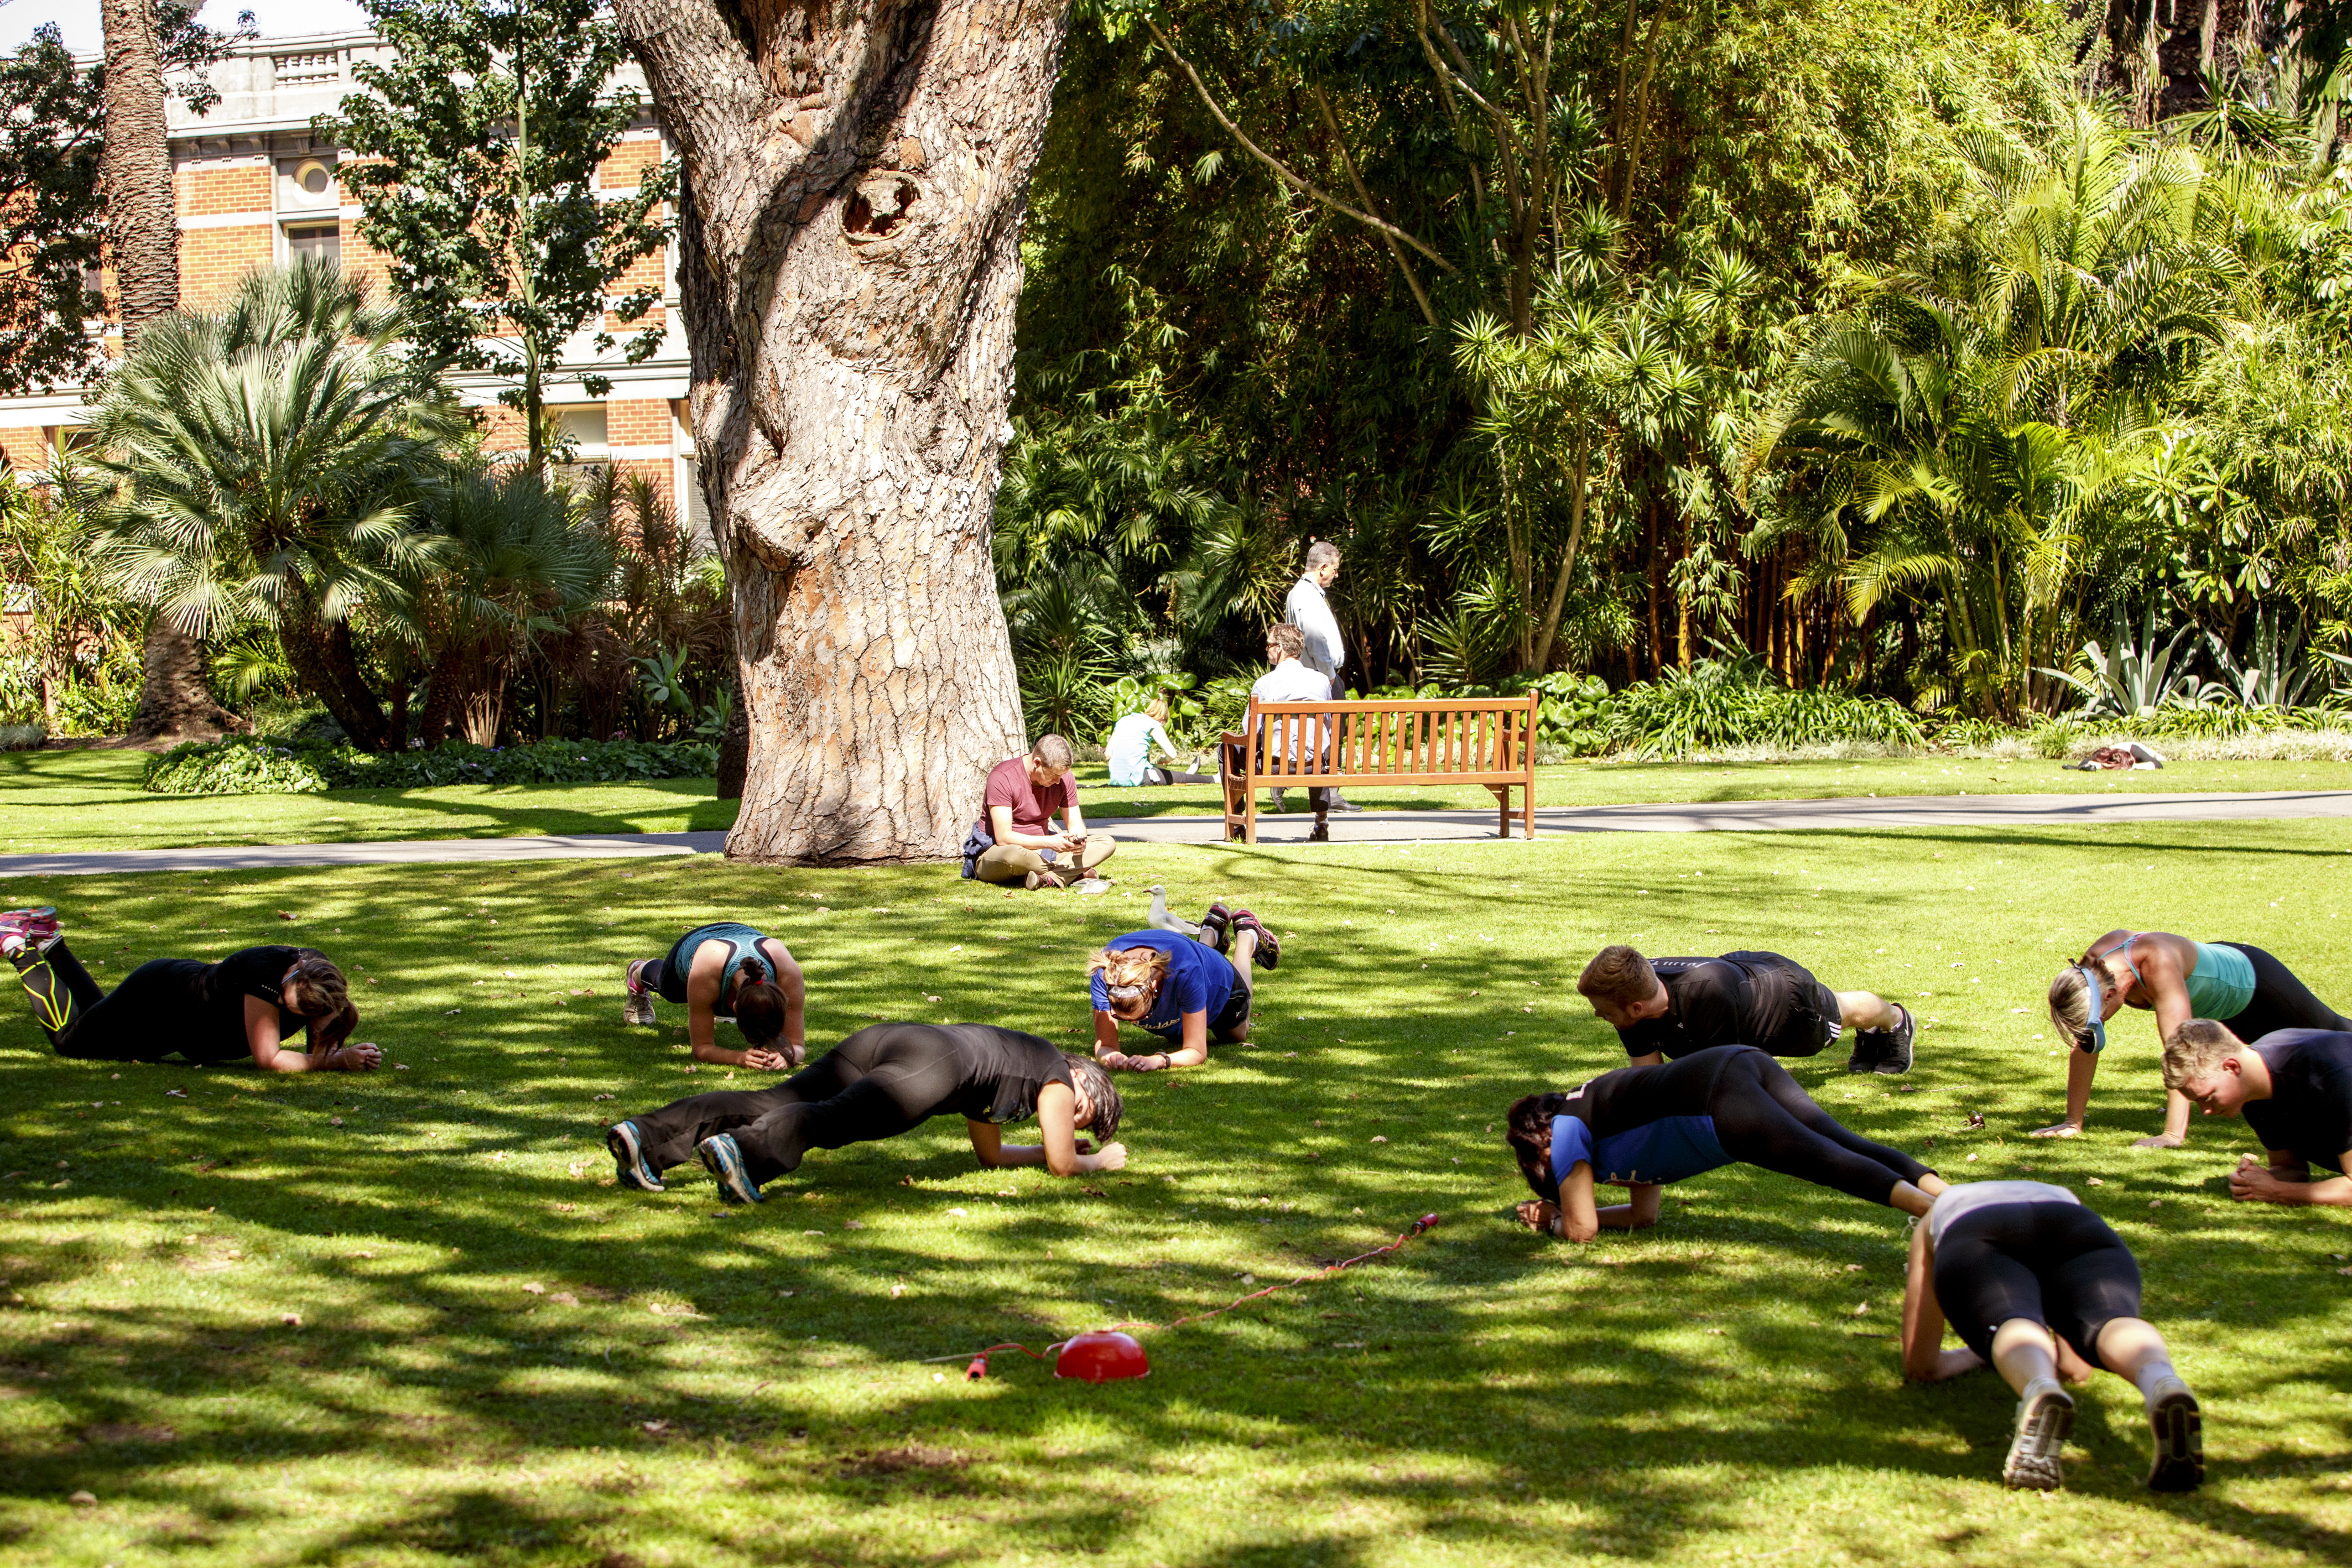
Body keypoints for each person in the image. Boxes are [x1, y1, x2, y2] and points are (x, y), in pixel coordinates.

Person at [602, 1022, 1127, 1204]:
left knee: (771, 1099)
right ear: (1082, 1078)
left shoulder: (1015, 1075)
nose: (1064, 1117)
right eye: (1079, 1109)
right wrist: (1096, 1162)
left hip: (895, 1040)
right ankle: (745, 1152)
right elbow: (1065, 1165)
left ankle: (645, 1137)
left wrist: (1044, 1150)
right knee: (835, 1118)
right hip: (933, 1064)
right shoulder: (1056, 1074)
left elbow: (990, 1157)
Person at [1901, 1180, 2202, 1492]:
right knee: (2108, 1321)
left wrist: (1981, 1353)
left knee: (2010, 1318)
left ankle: (2039, 1387)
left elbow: (1922, 1366)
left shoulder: (1937, 1213)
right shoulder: (2063, 1194)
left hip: (1975, 1229)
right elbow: (2075, 1367)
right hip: (2076, 1225)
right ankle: (2161, 1381)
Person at [1505, 1045, 1946, 1242]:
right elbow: (1645, 1215)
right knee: (1841, 1142)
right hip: (1737, 1061)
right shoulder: (1604, 1117)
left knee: (1824, 1159)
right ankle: (1953, 1197)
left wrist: (1555, 1222)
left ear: (1539, 1145)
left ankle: (1947, 1216)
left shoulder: (1564, 1132)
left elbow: (1583, 1230)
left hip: (1716, 1101)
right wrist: (1575, 1211)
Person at [2038, 930, 2349, 1145]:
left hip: (2257, 986)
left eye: (2100, 1018)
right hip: (2224, 1008)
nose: (2101, 1023)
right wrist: (2072, 1122)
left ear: (2109, 994)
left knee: (2336, 1034)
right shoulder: (2090, 971)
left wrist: (2172, 1135)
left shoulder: (2156, 963)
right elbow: (2087, 1043)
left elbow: (2182, 1053)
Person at [0, 905, 377, 1072]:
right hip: (159, 997)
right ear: (294, 972)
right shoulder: (265, 973)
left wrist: (341, 1050)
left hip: (176, 1028)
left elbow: (322, 1038)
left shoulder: (323, 980)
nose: (278, 1004)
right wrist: (336, 1061)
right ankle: (17, 946)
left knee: (96, 1024)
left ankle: (49, 938)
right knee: (71, 1042)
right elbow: (270, 1059)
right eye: (283, 995)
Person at [1576, 944, 1919, 1075]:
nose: (1597, 1015)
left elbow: (1724, 1076)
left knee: (1841, 1012)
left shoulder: (1706, 999)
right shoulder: (1628, 997)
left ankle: (1895, 1020)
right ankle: (1877, 1032)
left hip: (1787, 1000)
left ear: (1636, 1008)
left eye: (1602, 1010)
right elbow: (1649, 1078)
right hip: (1741, 980)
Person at [2162, 1019, 2352, 1208]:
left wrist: (2277, 1192)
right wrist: (2253, 1181)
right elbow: (2291, 1169)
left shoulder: (2334, 1077)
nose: (2206, 1111)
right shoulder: (2252, 1089)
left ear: (2232, 1067)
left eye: (2208, 1097)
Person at [1090, 905, 1278, 1070]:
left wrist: (1159, 1061)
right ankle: (1212, 929)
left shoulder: (1185, 971)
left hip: (1220, 985)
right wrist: (1112, 1056)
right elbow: (1105, 1046)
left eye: (1144, 1016)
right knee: (1176, 1036)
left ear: (1153, 986)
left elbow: (1196, 1050)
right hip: (1190, 961)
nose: (1135, 1023)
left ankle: (1248, 936)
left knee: (1236, 1035)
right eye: (1120, 1017)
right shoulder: (1107, 972)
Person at [622, 919, 805, 1069]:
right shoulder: (705, 972)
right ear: (733, 1008)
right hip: (698, 944)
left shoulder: (788, 974)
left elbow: (798, 1045)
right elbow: (701, 1049)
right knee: (669, 990)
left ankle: (715, 1004)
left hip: (741, 936)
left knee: (710, 996)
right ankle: (638, 971)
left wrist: (789, 1054)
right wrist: (740, 1058)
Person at [964, 734, 1116, 890]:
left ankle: (1045, 879)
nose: (1058, 781)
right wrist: (1049, 842)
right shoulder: (1003, 777)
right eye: (1054, 775)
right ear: (1037, 763)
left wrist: (1079, 840)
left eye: (1062, 776)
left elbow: (1076, 823)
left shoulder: (1064, 779)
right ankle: (1071, 873)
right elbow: (1004, 838)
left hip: (1045, 852)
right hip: (999, 852)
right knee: (1014, 855)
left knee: (1106, 842)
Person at [1281, 539, 1357, 812]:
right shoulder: (1306, 595)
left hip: (1316, 675)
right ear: (1323, 567)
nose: (1337, 575)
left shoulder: (1303, 594)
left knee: (1320, 733)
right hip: (1320, 677)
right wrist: (1329, 675)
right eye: (1335, 569)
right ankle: (1330, 794)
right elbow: (1314, 640)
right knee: (1331, 734)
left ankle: (1309, 786)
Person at [1247, 623, 1336, 841]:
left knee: (1225, 749)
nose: (1266, 649)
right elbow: (1328, 725)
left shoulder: (1265, 683)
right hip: (1312, 763)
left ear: (1279, 649)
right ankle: (1321, 823)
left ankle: (1239, 822)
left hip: (1274, 764)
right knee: (1320, 751)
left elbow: (1249, 731)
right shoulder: (1321, 681)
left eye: (1268, 645)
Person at [1106, 697, 1210, 787]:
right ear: (1163, 718)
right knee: (1177, 777)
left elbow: (1108, 754)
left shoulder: (1123, 721)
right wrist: (1164, 759)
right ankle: (1215, 779)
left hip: (1116, 779)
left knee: (1160, 772)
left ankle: (1190, 772)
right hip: (1138, 779)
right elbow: (1172, 754)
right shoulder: (1153, 724)